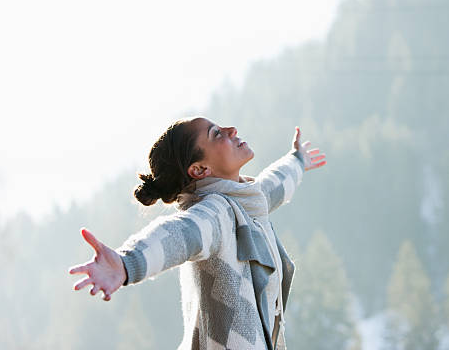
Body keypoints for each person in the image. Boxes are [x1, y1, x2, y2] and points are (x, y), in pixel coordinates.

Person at [68, 116, 326, 350]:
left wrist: (297, 160)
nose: (231, 129)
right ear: (200, 170)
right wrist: (127, 263)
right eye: (216, 134)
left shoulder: (245, 204)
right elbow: (180, 234)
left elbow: (272, 187)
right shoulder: (216, 214)